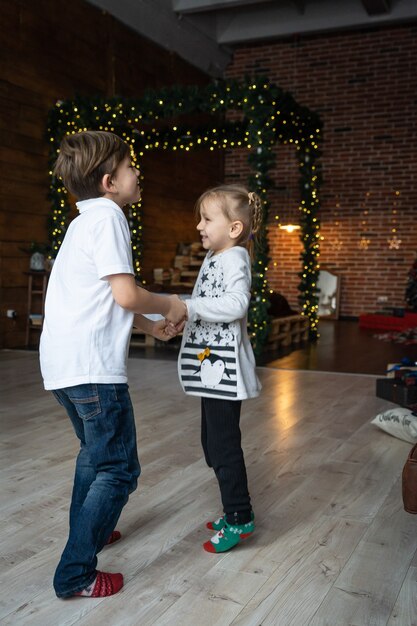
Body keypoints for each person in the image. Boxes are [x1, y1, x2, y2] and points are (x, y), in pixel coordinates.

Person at [40, 130, 186, 599]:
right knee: (119, 469)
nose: (137, 172)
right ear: (109, 182)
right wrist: (168, 305)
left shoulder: (83, 221)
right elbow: (125, 293)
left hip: (64, 365)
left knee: (93, 456)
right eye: (130, 166)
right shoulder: (109, 219)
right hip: (94, 371)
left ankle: (94, 532)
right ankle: (76, 573)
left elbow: (106, 299)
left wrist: (148, 327)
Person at [177, 184, 262, 553]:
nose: (199, 225)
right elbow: (205, 303)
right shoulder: (215, 256)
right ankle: (233, 508)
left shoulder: (234, 258)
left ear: (234, 229)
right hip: (212, 368)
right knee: (212, 446)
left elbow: (236, 303)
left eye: (207, 218)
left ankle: (240, 516)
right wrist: (183, 310)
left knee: (224, 448)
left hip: (225, 372)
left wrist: (190, 308)